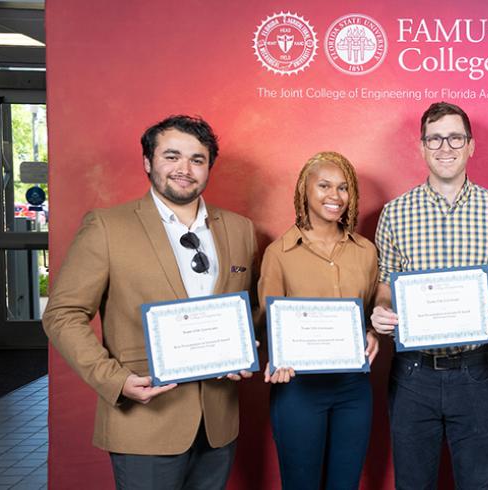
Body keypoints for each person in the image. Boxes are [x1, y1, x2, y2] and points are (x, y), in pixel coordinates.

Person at [42, 115, 258, 489]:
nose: (184, 169)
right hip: (144, 420)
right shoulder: (108, 226)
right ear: (147, 162)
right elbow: (62, 314)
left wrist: (246, 347)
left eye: (197, 159)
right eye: (171, 156)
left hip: (218, 423)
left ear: (209, 167)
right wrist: (115, 380)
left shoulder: (240, 229)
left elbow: (245, 308)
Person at [368, 101, 488, 489]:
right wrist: (381, 310)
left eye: (455, 137)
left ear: (471, 145)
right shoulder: (395, 213)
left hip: (475, 370)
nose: (445, 147)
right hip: (413, 373)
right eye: (434, 138)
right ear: (421, 146)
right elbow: (385, 284)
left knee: (477, 483)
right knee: (412, 484)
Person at [258, 151, 379, 489]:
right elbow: (270, 318)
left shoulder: (366, 252)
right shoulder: (278, 253)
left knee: (346, 484)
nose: (334, 196)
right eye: (324, 185)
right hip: (298, 390)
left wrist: (372, 332)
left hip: (354, 390)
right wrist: (276, 356)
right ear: (304, 190)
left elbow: (369, 312)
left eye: (343, 188)